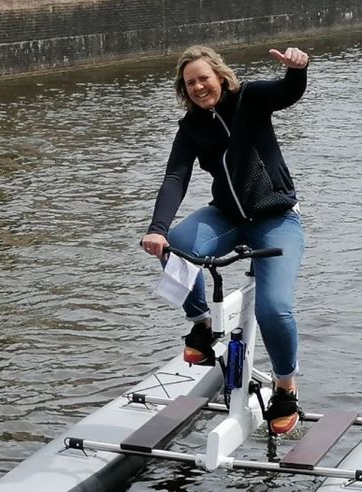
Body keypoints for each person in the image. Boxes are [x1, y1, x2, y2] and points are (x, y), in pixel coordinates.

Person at [140, 45, 310, 435]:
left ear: (220, 76)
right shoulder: (190, 128)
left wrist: (298, 69)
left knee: (274, 309)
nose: (199, 87)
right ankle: (202, 324)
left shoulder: (249, 98)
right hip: (228, 217)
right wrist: (158, 229)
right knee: (178, 247)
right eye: (190, 83)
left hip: (277, 219)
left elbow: (287, 92)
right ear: (184, 90)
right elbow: (174, 178)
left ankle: (285, 387)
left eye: (204, 78)